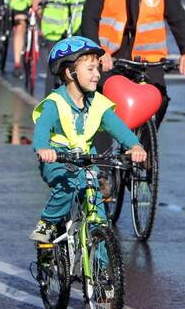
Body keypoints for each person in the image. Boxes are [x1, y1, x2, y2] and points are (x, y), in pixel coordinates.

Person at [29, 36, 147, 248]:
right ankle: (47, 222)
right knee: (68, 187)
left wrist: (134, 145)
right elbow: (42, 129)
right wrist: (44, 148)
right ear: (69, 73)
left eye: (98, 69)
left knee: (99, 217)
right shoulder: (55, 103)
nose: (97, 75)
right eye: (91, 69)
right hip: (57, 160)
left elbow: (118, 127)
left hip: (86, 161)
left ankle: (101, 271)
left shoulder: (97, 103)